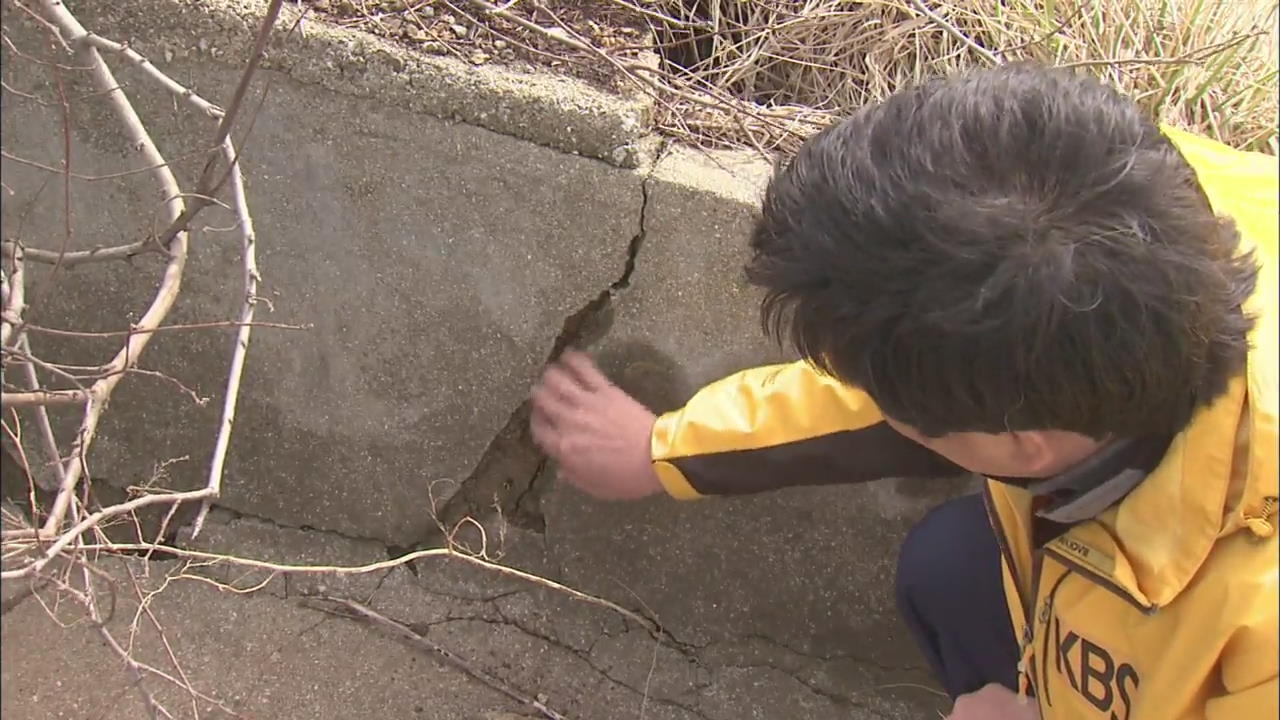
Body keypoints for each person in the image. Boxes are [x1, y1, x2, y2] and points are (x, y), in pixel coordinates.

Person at [528, 63, 1277, 720]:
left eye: (898, 406)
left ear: (1024, 440)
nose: (871, 401)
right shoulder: (1135, 200)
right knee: (948, 571)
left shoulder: (1260, 612)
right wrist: (667, 450)